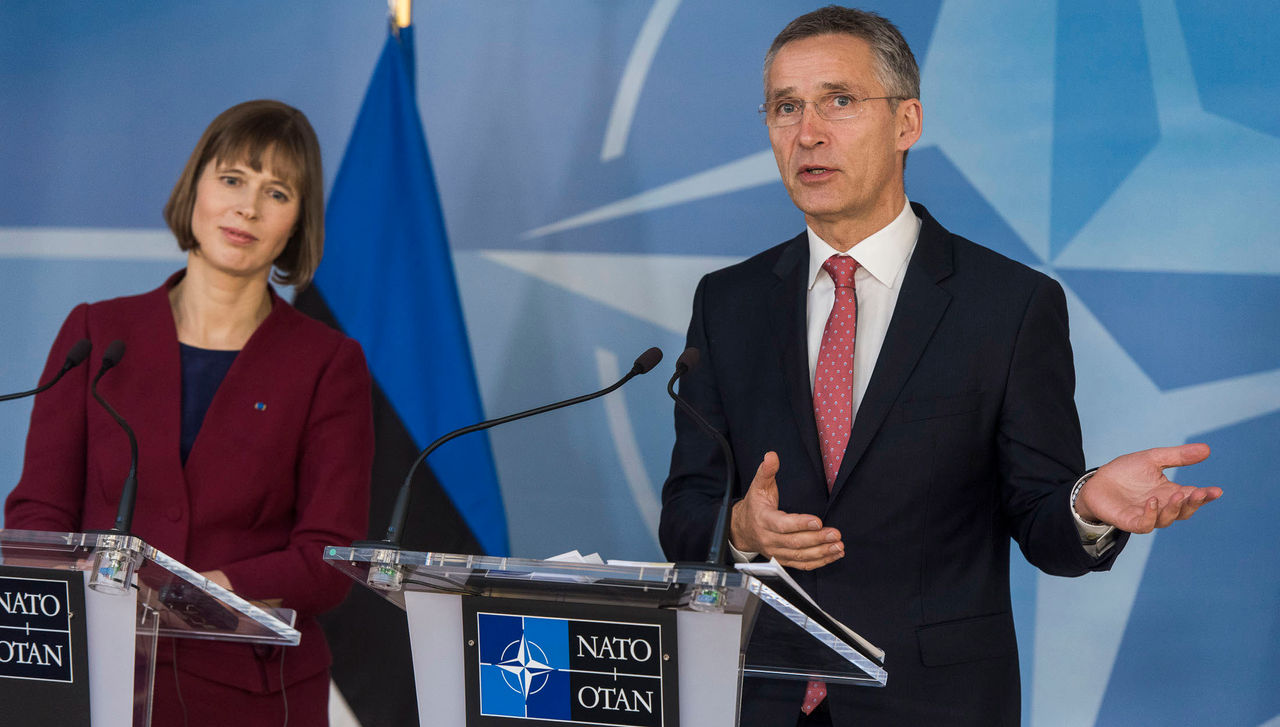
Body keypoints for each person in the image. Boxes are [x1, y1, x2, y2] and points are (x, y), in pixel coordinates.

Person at [658, 7, 1222, 726]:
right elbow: (685, 514)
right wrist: (739, 528)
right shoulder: (727, 303)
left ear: (907, 122)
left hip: (934, 705)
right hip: (760, 700)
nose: (808, 132)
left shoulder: (1009, 305)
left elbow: (1040, 517)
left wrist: (1085, 503)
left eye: (839, 100)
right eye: (785, 107)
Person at [5, 100, 374, 726]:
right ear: (195, 188)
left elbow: (328, 557)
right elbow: (39, 514)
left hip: (252, 697)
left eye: (276, 192)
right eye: (232, 179)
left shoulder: (328, 363)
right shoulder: (97, 333)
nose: (247, 208)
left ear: (297, 222)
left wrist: (201, 591)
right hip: (97, 680)